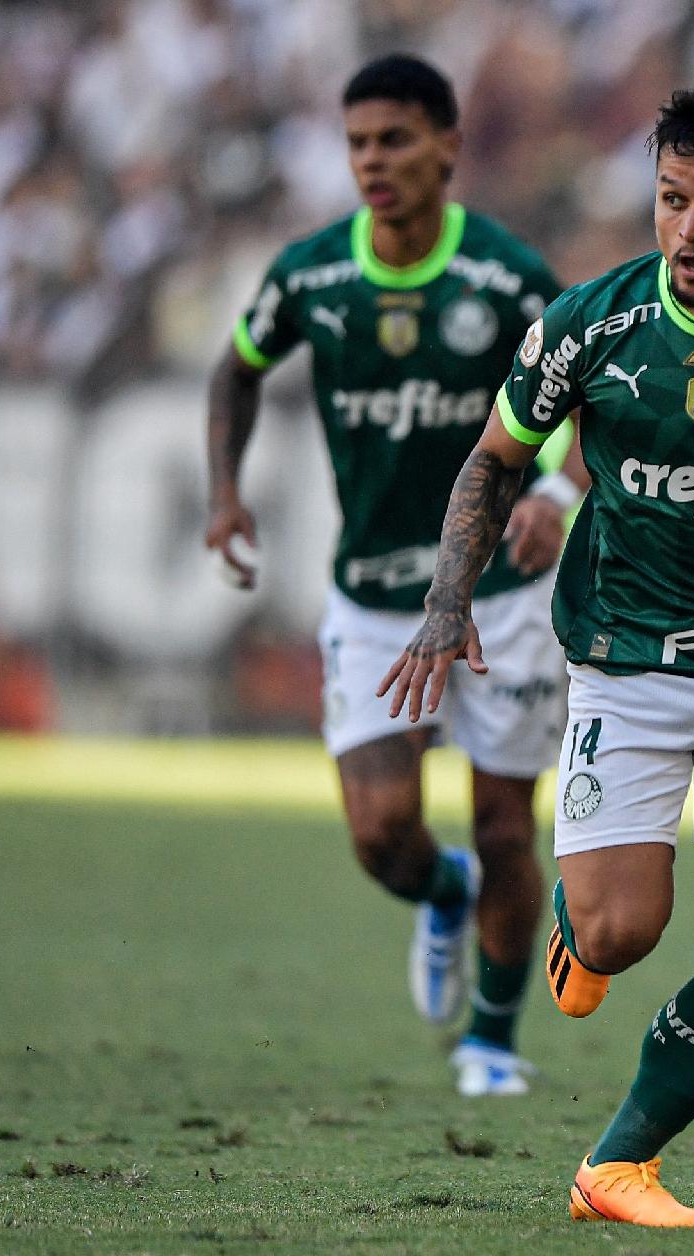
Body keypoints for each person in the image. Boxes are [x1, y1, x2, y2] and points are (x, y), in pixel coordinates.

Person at [380, 88, 694, 1228]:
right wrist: (445, 600)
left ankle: (620, 1162)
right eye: (672, 200)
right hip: (628, 659)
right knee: (622, 929)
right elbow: (493, 460)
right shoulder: (591, 323)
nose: (689, 229)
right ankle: (583, 923)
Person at [204, 55, 575, 1098]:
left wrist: (554, 491)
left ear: (448, 147)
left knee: (506, 819)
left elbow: (588, 390)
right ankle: (441, 890)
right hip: (373, 592)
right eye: (359, 143)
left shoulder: (505, 277)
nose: (374, 161)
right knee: (379, 836)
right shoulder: (313, 275)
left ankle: (491, 1040)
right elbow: (235, 366)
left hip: (501, 594)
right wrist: (224, 494)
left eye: (396, 140)